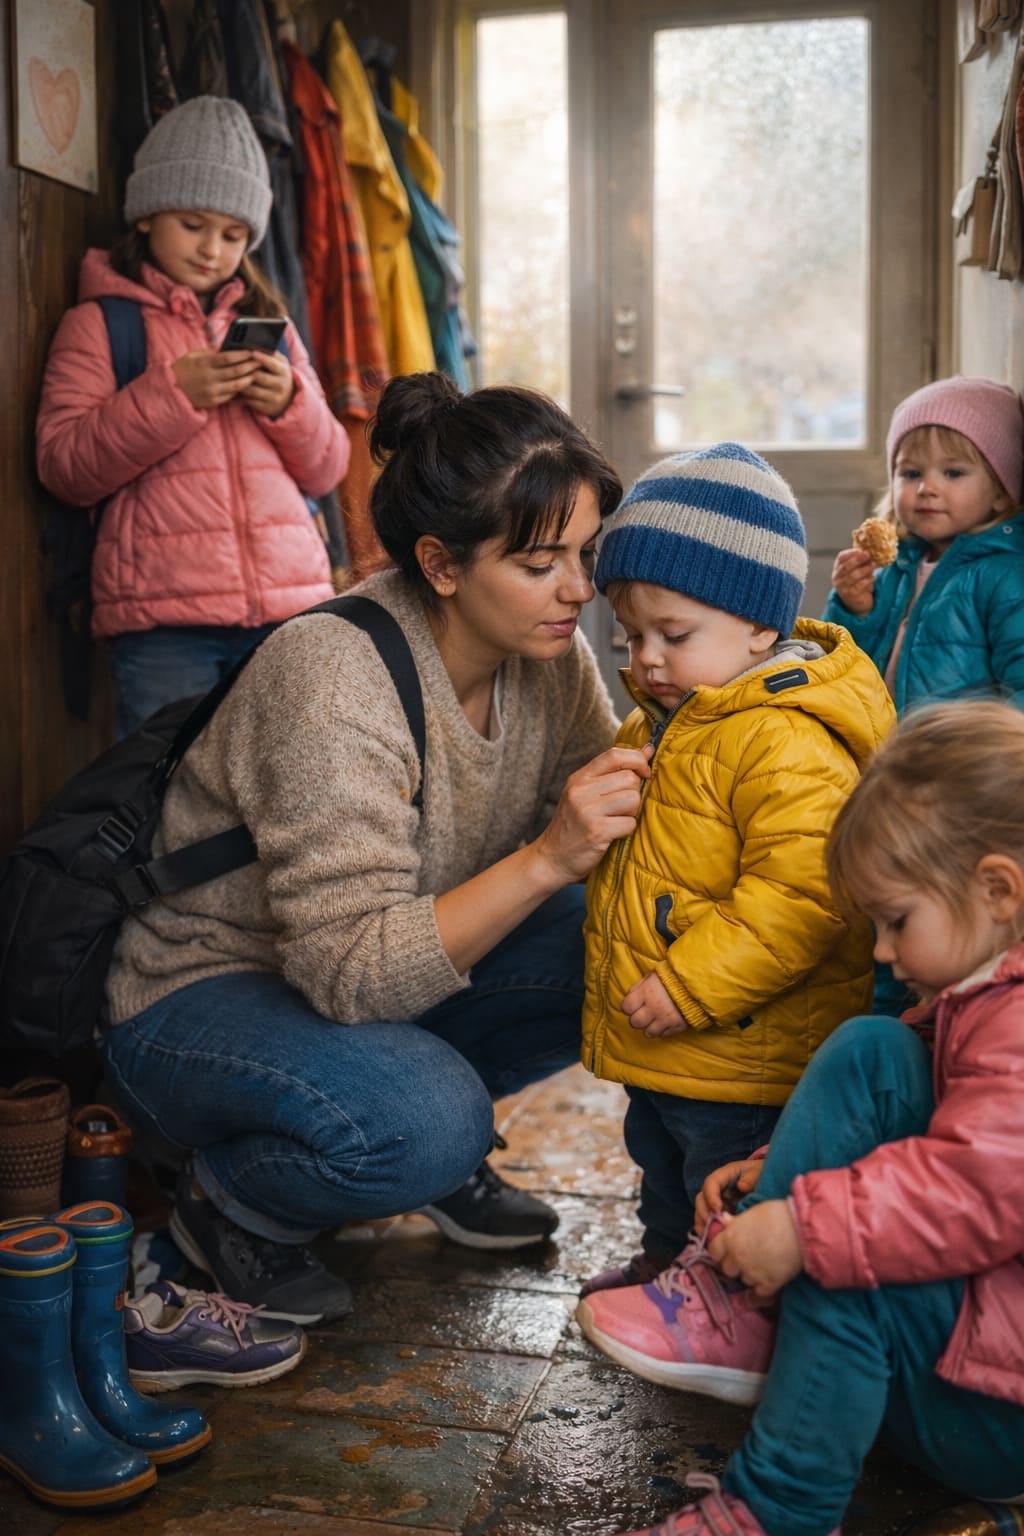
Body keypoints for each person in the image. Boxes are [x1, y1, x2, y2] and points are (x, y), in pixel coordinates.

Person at [99, 370, 647, 1326]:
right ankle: (231, 1202)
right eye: (539, 563)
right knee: (431, 1121)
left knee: (618, 938)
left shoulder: (549, 660)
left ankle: (397, 1128)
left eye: (585, 552)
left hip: (361, 975)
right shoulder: (334, 677)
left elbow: (619, 813)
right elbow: (348, 974)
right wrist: (547, 859)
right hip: (200, 994)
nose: (579, 589)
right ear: (440, 564)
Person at [581, 700, 1024, 1536]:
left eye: (896, 922)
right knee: (872, 1050)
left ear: (998, 890)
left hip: (1001, 1414)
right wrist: (777, 1174)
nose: (883, 951)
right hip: (976, 1361)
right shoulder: (985, 993)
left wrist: (802, 1228)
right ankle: (751, 1307)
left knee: (843, 1255)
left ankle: (776, 1511)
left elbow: (978, 1187)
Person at [577, 443, 895, 1298]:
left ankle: (725, 1301)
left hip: (747, 1044)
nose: (646, 658)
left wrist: (690, 986)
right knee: (660, 1158)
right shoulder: (665, 720)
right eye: (632, 634)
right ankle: (662, 1267)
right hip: (675, 1040)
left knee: (720, 1174)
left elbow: (803, 897)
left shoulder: (786, 739)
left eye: (673, 635)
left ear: (760, 627)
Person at [36, 96, 348, 737]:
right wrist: (174, 395)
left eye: (233, 236)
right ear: (148, 214)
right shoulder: (100, 324)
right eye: (193, 224)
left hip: (290, 612)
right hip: (163, 626)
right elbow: (64, 466)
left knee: (293, 780)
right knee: (169, 788)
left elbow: (328, 469)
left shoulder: (273, 328)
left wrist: (288, 405)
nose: (212, 249)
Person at [824, 375, 1024, 715]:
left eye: (953, 473)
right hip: (881, 738)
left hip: (957, 746)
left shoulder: (1005, 577)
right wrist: (854, 610)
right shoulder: (893, 568)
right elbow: (843, 666)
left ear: (1001, 492)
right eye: (912, 474)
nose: (926, 488)